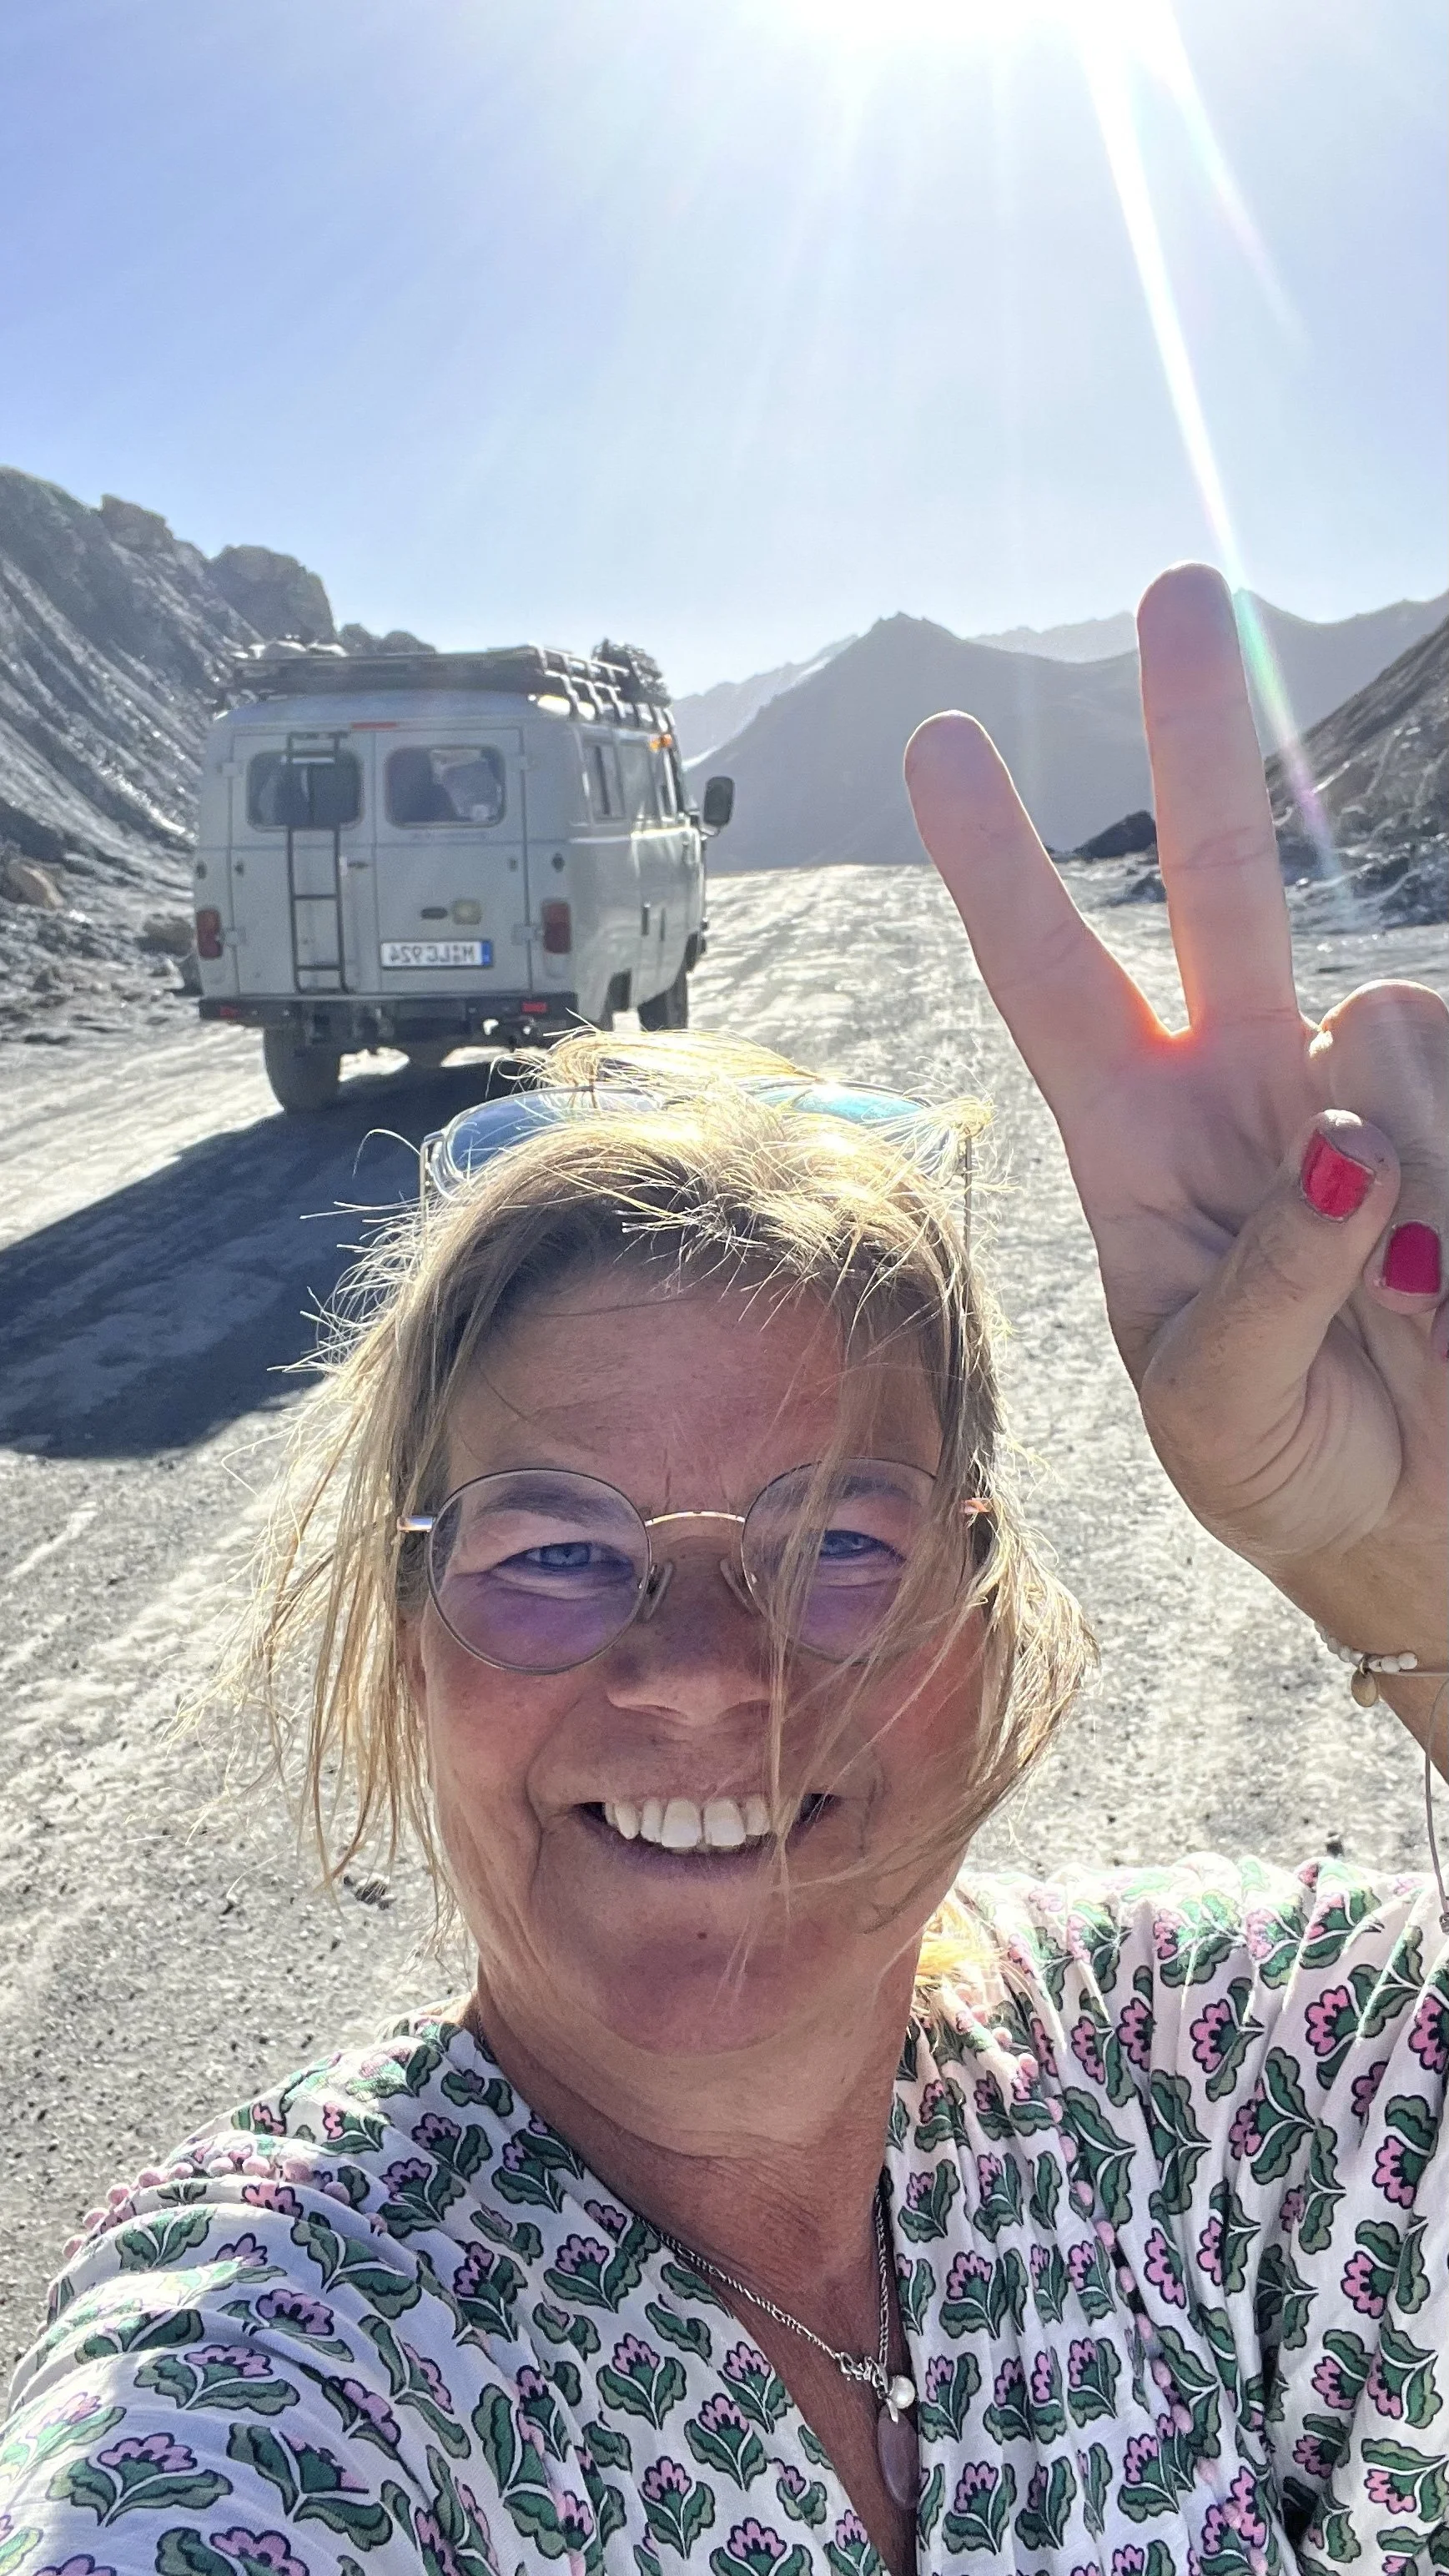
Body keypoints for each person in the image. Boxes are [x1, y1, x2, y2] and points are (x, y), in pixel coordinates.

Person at [3, 566, 1444, 2576]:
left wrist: (1413, 1571)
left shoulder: (1223, 2076)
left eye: (840, 1538)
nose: (698, 1668)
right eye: (554, 1546)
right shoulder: (274, 2373)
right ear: (404, 1635)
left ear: (988, 1612)